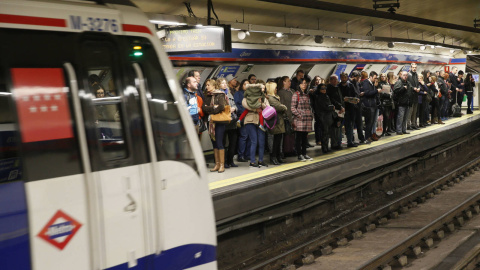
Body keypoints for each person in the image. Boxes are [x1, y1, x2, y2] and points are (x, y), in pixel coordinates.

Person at [202, 78, 228, 173]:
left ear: (214, 86)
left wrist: (210, 109)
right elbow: (204, 108)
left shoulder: (220, 94)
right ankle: (217, 164)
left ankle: (222, 165)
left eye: (208, 85)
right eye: (206, 85)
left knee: (220, 142)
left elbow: (221, 107)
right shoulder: (207, 96)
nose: (207, 87)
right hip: (210, 122)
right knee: (214, 143)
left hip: (219, 122)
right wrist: (213, 108)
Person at [242, 84, 269, 167]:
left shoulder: (263, 98)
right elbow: (245, 105)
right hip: (250, 120)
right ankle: (252, 161)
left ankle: (261, 160)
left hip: (261, 121)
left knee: (261, 142)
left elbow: (268, 107)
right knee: (254, 141)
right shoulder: (246, 97)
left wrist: (261, 104)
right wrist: (255, 108)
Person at [291, 78, 314, 161]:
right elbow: (293, 108)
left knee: (305, 137)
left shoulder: (307, 95)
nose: (304, 85)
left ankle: (304, 153)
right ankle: (299, 154)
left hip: (307, 119)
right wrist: (299, 115)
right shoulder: (296, 94)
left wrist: (311, 115)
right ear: (299, 85)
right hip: (299, 120)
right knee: (298, 138)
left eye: (305, 83)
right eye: (302, 83)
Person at [265, 82, 287, 165]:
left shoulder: (275, 97)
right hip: (275, 121)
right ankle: (273, 157)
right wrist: (284, 107)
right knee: (275, 141)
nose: (276, 89)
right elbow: (279, 107)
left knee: (279, 139)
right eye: (275, 88)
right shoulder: (270, 98)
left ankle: (278, 156)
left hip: (279, 121)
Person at [313, 84, 335, 153]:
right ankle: (324, 148)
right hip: (323, 117)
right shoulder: (319, 97)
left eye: (325, 88)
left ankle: (326, 147)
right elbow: (324, 107)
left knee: (327, 133)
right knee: (325, 133)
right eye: (322, 89)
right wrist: (332, 107)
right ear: (319, 90)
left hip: (327, 117)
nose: (324, 90)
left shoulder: (326, 96)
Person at [278, 76, 296, 157]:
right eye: (288, 81)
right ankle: (286, 150)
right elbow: (281, 105)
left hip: (293, 115)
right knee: (287, 135)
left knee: (292, 133)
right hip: (286, 116)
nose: (290, 82)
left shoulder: (292, 91)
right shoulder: (281, 93)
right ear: (284, 82)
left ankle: (292, 149)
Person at [222, 78, 238, 168]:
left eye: (225, 83)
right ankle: (223, 162)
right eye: (222, 83)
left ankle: (230, 160)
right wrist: (228, 109)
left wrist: (234, 108)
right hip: (223, 122)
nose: (224, 85)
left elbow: (235, 104)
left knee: (233, 142)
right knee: (223, 143)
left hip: (232, 121)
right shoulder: (218, 95)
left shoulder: (229, 94)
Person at [327, 75, 345, 149]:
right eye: (334, 80)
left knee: (338, 127)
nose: (335, 81)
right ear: (330, 80)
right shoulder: (329, 88)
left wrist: (342, 106)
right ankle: (334, 144)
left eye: (336, 80)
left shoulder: (337, 88)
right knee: (334, 127)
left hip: (340, 110)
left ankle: (338, 142)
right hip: (334, 111)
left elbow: (341, 98)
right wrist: (340, 106)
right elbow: (332, 99)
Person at [234, 79, 250, 162]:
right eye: (245, 84)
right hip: (242, 117)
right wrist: (244, 111)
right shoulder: (238, 94)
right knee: (244, 136)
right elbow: (237, 104)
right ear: (242, 85)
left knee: (249, 137)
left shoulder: (251, 94)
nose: (246, 86)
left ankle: (247, 154)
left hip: (251, 117)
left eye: (248, 84)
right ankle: (241, 155)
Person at [361, 71, 379, 142]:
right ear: (370, 77)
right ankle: (367, 137)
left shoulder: (372, 84)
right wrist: (376, 91)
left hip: (373, 105)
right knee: (368, 122)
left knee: (371, 122)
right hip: (368, 105)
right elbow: (367, 93)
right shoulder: (366, 83)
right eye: (374, 78)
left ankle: (370, 135)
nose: (375, 80)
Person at [407, 63, 420, 130]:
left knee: (415, 111)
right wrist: (413, 88)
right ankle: (408, 125)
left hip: (416, 95)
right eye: (413, 67)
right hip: (411, 95)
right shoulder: (409, 75)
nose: (414, 68)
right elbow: (408, 84)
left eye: (415, 67)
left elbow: (418, 83)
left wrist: (418, 88)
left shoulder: (416, 74)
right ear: (411, 68)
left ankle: (414, 124)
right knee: (410, 111)